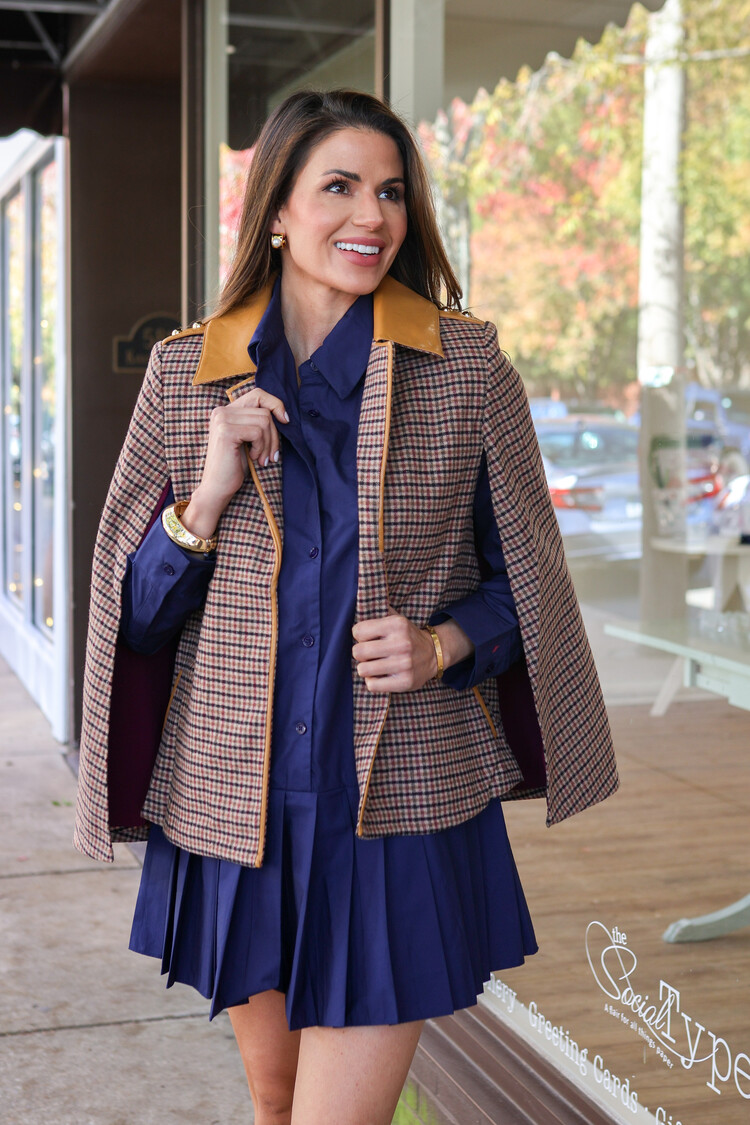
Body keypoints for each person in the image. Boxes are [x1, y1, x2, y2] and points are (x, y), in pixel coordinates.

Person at [74, 89, 617, 1125]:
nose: (373, 215)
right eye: (340, 187)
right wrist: (206, 498)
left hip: (398, 806)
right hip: (237, 808)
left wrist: (444, 642)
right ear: (276, 210)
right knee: (276, 1101)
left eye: (392, 192)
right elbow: (133, 619)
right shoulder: (188, 370)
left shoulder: (465, 366)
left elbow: (535, 588)